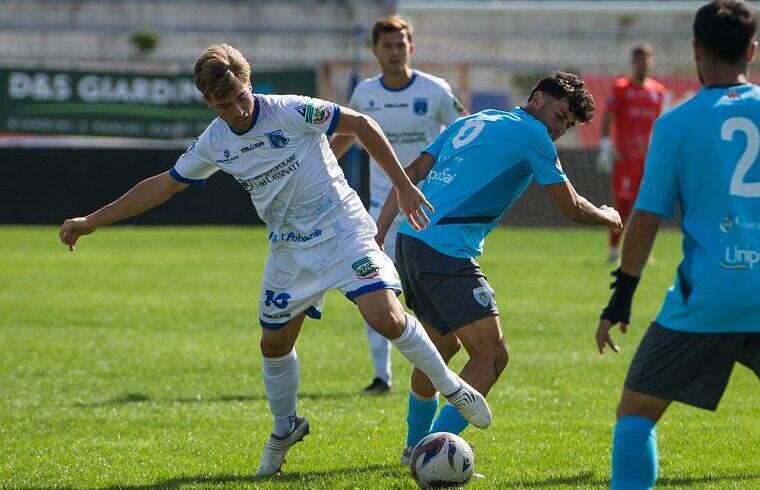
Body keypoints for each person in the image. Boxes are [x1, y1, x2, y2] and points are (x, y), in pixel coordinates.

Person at [58, 43, 493, 477]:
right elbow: (164, 185)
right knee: (273, 345)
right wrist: (93, 220)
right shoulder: (215, 141)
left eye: (242, 97)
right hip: (289, 250)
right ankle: (285, 427)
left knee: (387, 318)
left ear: (249, 83)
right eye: (224, 105)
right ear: (209, 103)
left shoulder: (289, 110)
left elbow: (361, 123)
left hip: (344, 231)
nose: (238, 110)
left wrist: (401, 186)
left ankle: (451, 387)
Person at [374, 72, 623, 465]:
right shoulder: (533, 134)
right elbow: (571, 208)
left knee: (440, 348)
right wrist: (607, 216)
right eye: (560, 116)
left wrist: (381, 231)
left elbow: (414, 171)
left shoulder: (477, 119)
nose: (559, 129)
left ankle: (413, 447)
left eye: (568, 125)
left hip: (411, 242)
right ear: (537, 99)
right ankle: (434, 454)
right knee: (491, 356)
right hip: (445, 252)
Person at [596, 1, 760, 488]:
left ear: (695, 50)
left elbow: (645, 219)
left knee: (637, 412)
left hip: (709, 295)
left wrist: (621, 298)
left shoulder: (676, 123)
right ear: (752, 50)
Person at [330, 14, 467, 394]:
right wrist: (317, 164)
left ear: (412, 47)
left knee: (426, 292)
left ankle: (434, 367)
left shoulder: (435, 91)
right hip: (378, 210)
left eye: (400, 44)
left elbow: (463, 133)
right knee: (372, 285)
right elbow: (346, 137)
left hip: (430, 208)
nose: (394, 51)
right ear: (375, 50)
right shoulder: (366, 95)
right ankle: (381, 376)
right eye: (387, 45)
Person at [597, 44, 666, 262]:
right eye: (638, 60)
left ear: (651, 62)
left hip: (648, 159)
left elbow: (660, 123)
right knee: (624, 205)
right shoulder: (621, 87)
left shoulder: (658, 91)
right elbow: (608, 116)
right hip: (625, 159)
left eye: (646, 59)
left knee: (647, 205)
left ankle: (642, 252)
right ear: (632, 62)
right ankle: (614, 250)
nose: (642, 64)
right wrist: (606, 145)